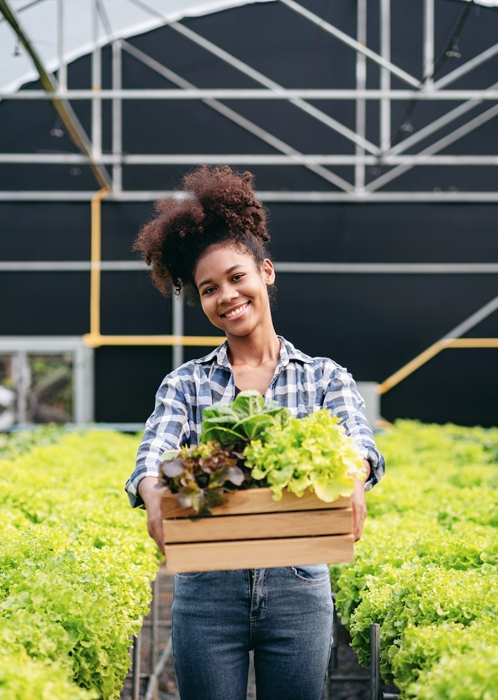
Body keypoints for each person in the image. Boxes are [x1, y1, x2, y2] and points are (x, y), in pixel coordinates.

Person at [126, 165, 385, 700]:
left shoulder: (324, 376)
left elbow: (359, 443)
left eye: (236, 276)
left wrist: (354, 476)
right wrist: (154, 493)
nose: (227, 295)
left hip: (299, 582)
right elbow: (153, 457)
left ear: (266, 272)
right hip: (206, 585)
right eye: (209, 289)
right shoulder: (187, 383)